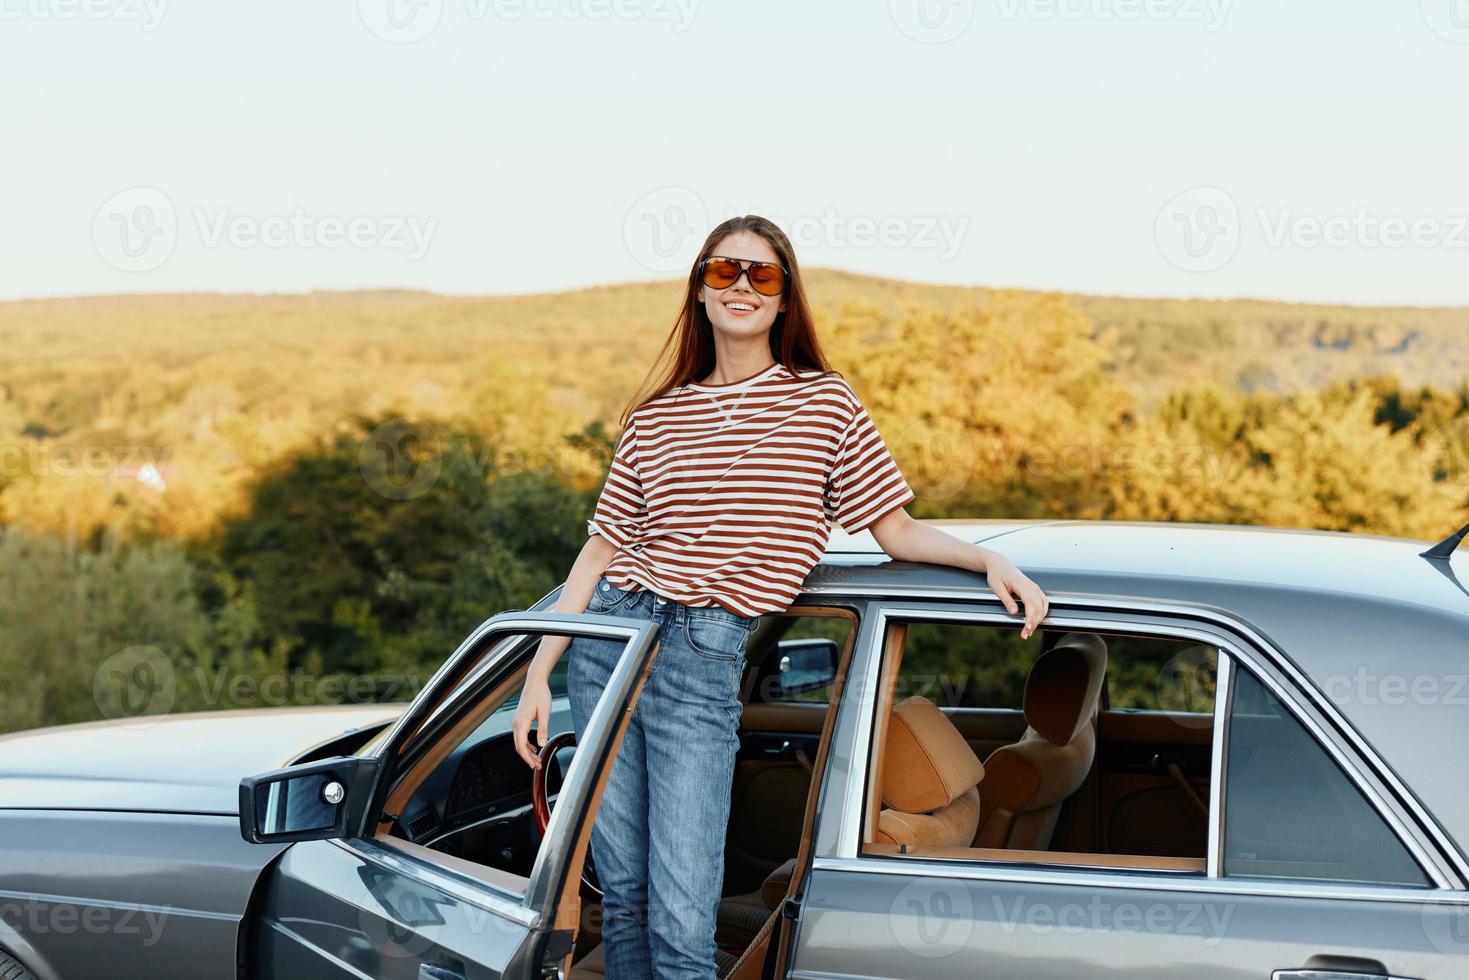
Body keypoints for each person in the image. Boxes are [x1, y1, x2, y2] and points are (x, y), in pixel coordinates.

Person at [511, 214, 1049, 979]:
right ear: (698, 290)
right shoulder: (658, 414)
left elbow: (894, 530)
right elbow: (597, 552)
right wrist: (539, 675)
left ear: (785, 299)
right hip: (608, 643)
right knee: (621, 893)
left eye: (761, 275)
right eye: (723, 271)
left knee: (680, 911)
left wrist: (986, 562)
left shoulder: (824, 405)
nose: (741, 287)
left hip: (703, 652)